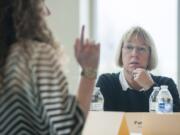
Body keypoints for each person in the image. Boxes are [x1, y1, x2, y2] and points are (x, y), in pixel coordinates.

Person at [0, 0, 100, 134]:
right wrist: (90, 69)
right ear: (27, 11)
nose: (47, 12)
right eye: (41, 5)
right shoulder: (35, 55)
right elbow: (69, 128)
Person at [96, 26, 180, 112]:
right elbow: (101, 122)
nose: (134, 54)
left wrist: (150, 87)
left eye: (141, 49)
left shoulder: (165, 86)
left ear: (150, 56)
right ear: (121, 53)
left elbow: (174, 120)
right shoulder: (107, 83)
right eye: (129, 47)